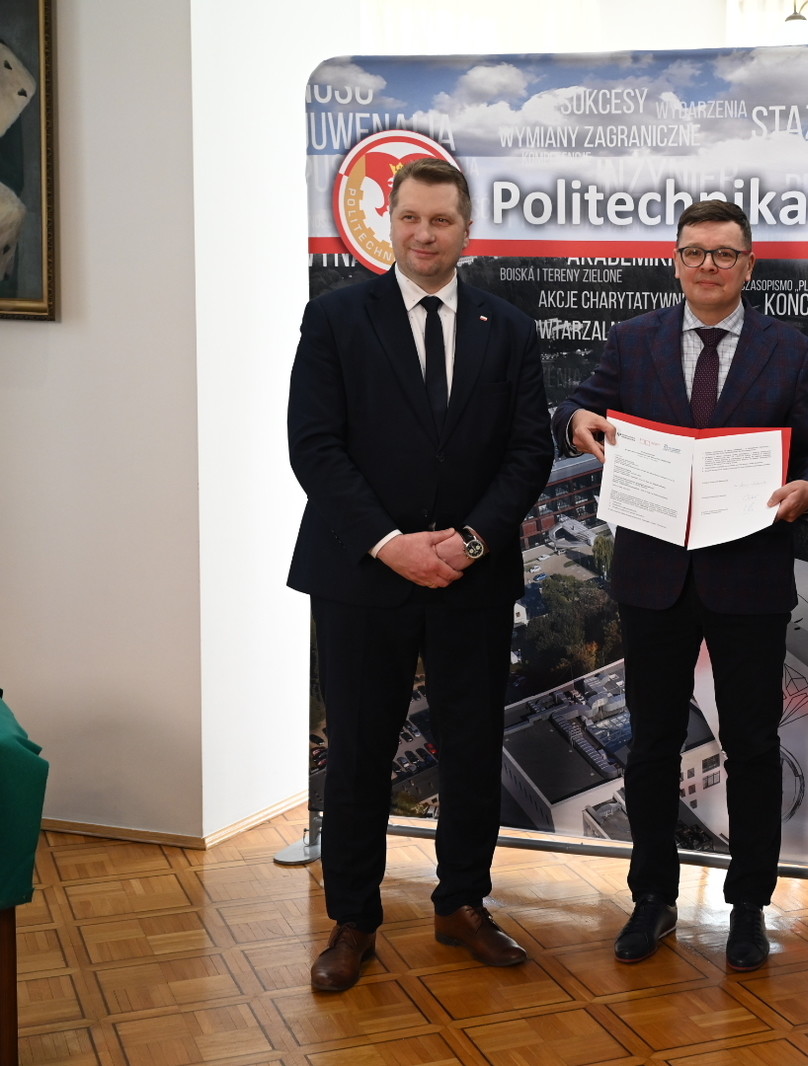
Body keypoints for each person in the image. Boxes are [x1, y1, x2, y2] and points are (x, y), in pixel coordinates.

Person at [287, 158, 554, 992]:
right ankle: (353, 920)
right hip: (362, 573)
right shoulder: (335, 317)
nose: (424, 234)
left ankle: (462, 904)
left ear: (467, 229)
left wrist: (470, 542)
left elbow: (529, 452)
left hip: (472, 577)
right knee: (359, 752)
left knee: (472, 749)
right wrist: (390, 543)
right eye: (410, 218)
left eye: (441, 220)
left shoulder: (509, 328)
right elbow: (314, 446)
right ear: (388, 224)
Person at [552, 199, 808, 972]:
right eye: (694, 252)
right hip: (655, 575)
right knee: (650, 745)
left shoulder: (791, 350)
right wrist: (577, 422)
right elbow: (579, 402)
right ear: (675, 261)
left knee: (751, 746)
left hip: (749, 575)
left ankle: (747, 906)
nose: (708, 265)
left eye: (724, 253)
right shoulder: (632, 339)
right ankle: (653, 898)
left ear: (749, 264)